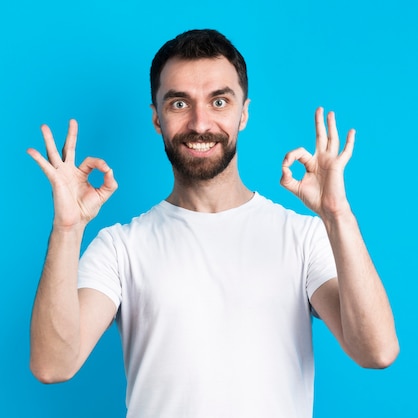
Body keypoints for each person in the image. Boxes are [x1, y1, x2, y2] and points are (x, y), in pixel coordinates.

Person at [26, 29, 399, 417]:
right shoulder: (120, 247)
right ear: (156, 118)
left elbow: (377, 351)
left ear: (244, 113)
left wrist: (337, 216)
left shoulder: (303, 237)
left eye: (219, 101)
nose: (200, 123)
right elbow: (53, 366)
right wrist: (67, 229)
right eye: (179, 103)